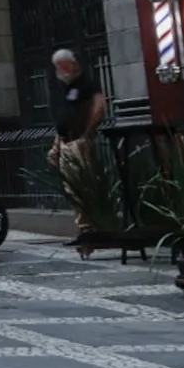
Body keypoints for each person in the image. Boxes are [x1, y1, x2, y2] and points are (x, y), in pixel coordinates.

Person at [48, 48, 108, 241]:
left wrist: (86, 135)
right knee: (71, 187)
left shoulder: (86, 85)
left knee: (82, 185)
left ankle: (88, 227)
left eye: (62, 66)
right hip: (67, 141)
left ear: (72, 64)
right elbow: (63, 119)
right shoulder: (66, 88)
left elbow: (99, 107)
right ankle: (83, 227)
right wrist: (56, 145)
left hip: (78, 141)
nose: (59, 71)